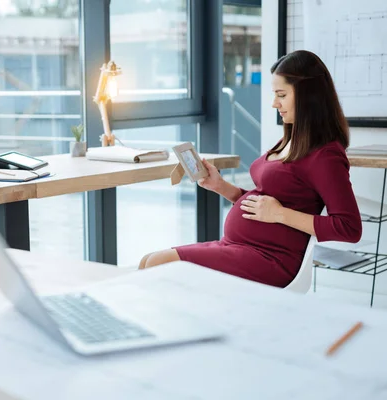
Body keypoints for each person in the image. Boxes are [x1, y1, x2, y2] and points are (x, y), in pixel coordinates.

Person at [139, 50, 363, 288]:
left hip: (272, 259)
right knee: (146, 261)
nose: (274, 103)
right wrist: (222, 187)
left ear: (309, 96)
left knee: (158, 263)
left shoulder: (325, 154)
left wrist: (279, 214)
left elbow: (349, 228)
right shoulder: (290, 139)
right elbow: (264, 202)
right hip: (239, 248)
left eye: (281, 95)